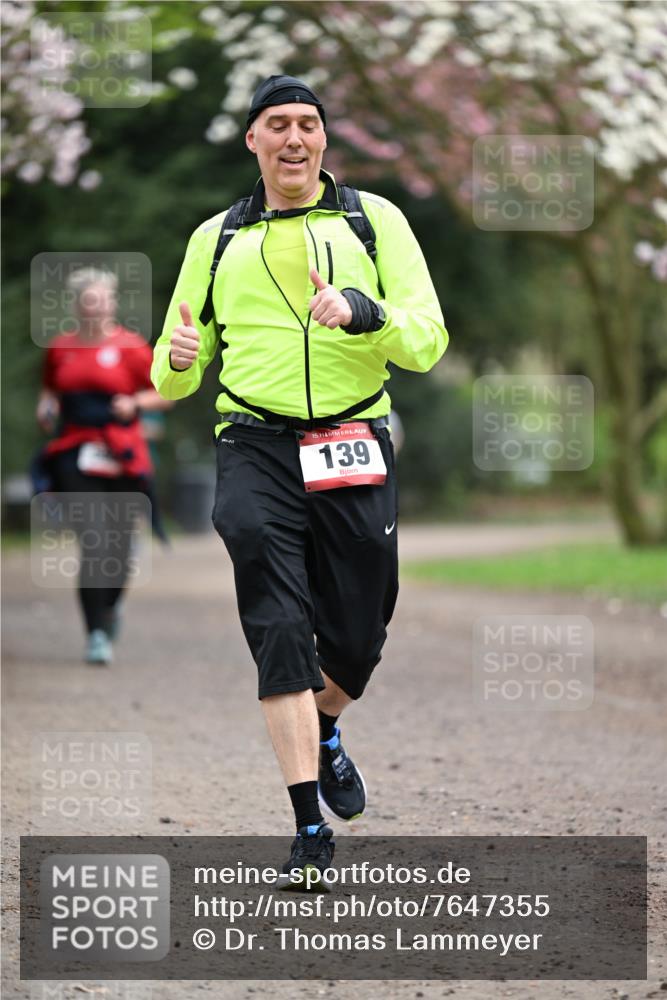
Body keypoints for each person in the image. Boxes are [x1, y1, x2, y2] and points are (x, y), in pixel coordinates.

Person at [151, 75, 448, 890]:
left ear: (323, 139)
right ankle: (307, 826)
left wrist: (366, 311)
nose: (293, 137)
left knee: (359, 630)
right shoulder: (215, 239)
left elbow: (426, 342)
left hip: (353, 438)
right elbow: (175, 362)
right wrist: (176, 364)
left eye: (307, 124)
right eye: (276, 124)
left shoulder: (372, 221)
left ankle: (325, 729)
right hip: (253, 443)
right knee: (279, 623)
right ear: (251, 140)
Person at [36, 267, 172, 666]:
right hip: (75, 451)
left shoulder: (130, 347)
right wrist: (47, 407)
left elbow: (165, 395)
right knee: (94, 540)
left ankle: (110, 609)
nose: (96, 308)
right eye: (88, 301)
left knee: (118, 548)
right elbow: (49, 389)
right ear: (77, 305)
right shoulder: (60, 347)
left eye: (103, 300)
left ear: (113, 303)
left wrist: (134, 405)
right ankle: (95, 632)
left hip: (122, 453)